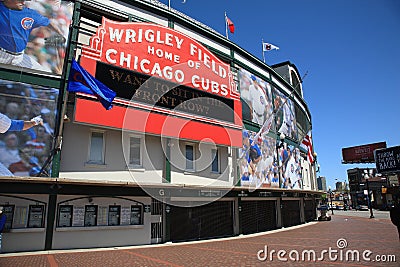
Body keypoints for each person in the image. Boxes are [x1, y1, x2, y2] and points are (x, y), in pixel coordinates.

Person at [0, 0, 65, 72]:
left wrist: (61, 34)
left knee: (43, 75)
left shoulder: (29, 13)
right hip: (2, 54)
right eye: (20, 0)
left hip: (19, 57)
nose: (23, 2)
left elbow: (48, 23)